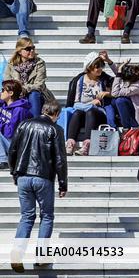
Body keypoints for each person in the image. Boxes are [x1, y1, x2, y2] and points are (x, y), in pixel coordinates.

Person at [8, 101, 67, 273]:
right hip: (43, 177)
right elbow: (60, 160)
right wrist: (63, 184)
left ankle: (17, 254)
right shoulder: (55, 130)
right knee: (47, 216)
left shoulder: (24, 124)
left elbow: (13, 150)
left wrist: (14, 173)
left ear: (42, 111)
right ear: (56, 114)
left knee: (26, 216)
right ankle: (41, 256)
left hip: (23, 175)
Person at [63, 53, 114, 156]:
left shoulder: (104, 79)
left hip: (99, 114)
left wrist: (108, 94)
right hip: (82, 112)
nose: (100, 69)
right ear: (89, 67)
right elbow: (75, 104)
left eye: (101, 66)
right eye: (97, 66)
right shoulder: (79, 80)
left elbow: (119, 88)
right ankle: (70, 144)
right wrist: (91, 103)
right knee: (77, 113)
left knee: (91, 112)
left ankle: (87, 145)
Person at [3, 38, 54, 118]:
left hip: (37, 94)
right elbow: (7, 82)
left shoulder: (39, 63)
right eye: (28, 49)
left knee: (33, 94)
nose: (32, 51)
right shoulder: (11, 64)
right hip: (17, 94)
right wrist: (18, 90)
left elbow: (39, 85)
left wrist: (24, 89)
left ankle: (34, 124)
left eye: (33, 48)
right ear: (19, 51)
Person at [107, 57, 139, 129]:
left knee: (120, 101)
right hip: (136, 102)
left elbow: (115, 93)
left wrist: (119, 73)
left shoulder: (138, 86)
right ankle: (119, 120)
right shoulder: (138, 74)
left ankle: (126, 128)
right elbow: (120, 73)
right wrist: (109, 61)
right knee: (113, 102)